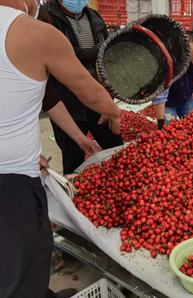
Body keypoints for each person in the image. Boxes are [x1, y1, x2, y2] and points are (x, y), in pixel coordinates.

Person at [0, 2, 121, 298]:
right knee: (23, 260)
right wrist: (114, 111)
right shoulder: (36, 32)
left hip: (13, 168)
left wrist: (79, 138)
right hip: (11, 183)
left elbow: (44, 98)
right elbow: (88, 90)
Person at [44, 0, 124, 175]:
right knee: (73, 159)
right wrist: (97, 50)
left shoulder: (94, 17)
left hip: (98, 100)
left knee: (118, 151)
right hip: (67, 104)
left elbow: (107, 57)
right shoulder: (47, 17)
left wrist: (108, 99)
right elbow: (63, 56)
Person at [152, 26, 193, 128]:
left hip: (186, 99)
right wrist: (161, 122)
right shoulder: (174, 57)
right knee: (169, 131)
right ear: (191, 41)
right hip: (167, 102)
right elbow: (161, 91)